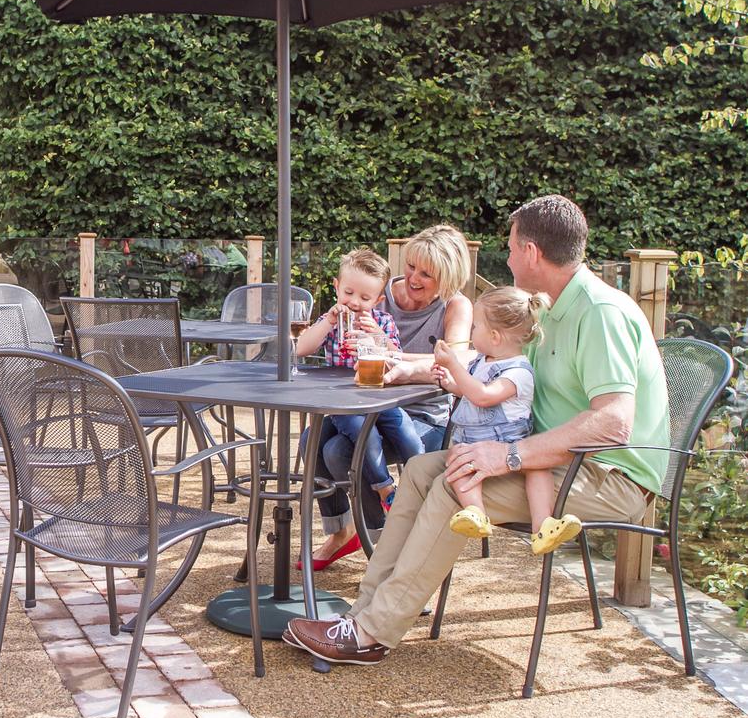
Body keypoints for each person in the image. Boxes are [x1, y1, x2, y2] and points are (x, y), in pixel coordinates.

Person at [284, 194, 670, 665]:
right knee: (424, 470)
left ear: (531, 252)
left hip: (606, 476)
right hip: (552, 460)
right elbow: (489, 368)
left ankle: (371, 634)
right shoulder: (546, 307)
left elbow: (613, 424)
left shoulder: (600, 312)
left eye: (509, 247)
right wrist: (425, 371)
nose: (505, 257)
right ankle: (362, 611)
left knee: (450, 485)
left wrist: (508, 456)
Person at [299, 225, 474, 571]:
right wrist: (419, 362)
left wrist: (401, 363)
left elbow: (459, 365)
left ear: (448, 278)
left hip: (422, 415)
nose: (413, 278)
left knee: (342, 450)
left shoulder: (455, 306)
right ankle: (343, 529)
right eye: (411, 266)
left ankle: (385, 544)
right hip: (364, 402)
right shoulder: (377, 293)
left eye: (427, 274)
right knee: (311, 440)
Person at [295, 250, 422, 569]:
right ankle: (383, 487)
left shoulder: (381, 321)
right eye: (348, 292)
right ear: (337, 287)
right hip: (345, 401)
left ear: (378, 300)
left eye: (364, 297)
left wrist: (376, 337)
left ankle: (421, 482)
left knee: (403, 429)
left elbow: (396, 355)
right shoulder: (331, 320)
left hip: (377, 395)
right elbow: (301, 348)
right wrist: (328, 320)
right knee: (356, 433)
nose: (354, 301)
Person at [432, 286, 582, 554]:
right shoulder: (482, 361)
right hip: (473, 442)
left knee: (537, 468)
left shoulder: (518, 371)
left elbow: (483, 396)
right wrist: (451, 383)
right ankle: (476, 513)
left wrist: (454, 364)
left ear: (495, 336)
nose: (471, 332)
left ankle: (543, 524)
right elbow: (470, 390)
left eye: (475, 326)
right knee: (456, 460)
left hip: (511, 443)